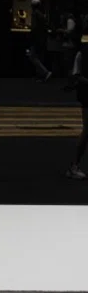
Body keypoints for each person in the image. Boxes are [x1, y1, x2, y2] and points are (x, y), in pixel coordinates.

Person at [67, 27, 88, 180]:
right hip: (87, 96)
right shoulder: (82, 55)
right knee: (87, 131)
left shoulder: (81, 54)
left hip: (86, 94)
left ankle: (74, 165)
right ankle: (74, 165)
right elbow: (76, 77)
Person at [29, 0, 51, 82]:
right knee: (38, 56)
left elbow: (34, 27)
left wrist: (31, 32)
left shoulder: (35, 14)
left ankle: (45, 73)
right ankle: (40, 75)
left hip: (36, 38)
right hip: (42, 38)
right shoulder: (41, 14)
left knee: (32, 56)